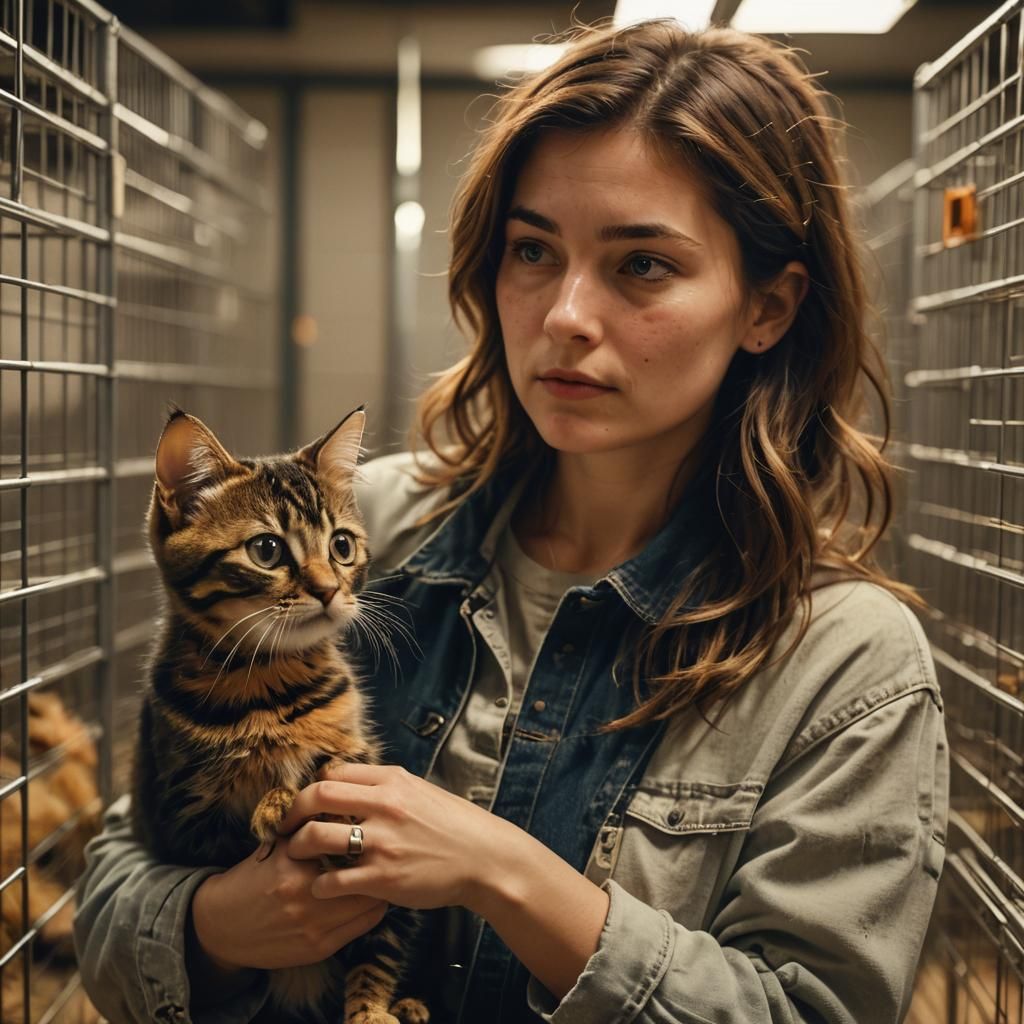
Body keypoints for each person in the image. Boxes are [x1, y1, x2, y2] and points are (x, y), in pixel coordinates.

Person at [74, 19, 948, 1024]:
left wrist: (506, 874)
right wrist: (221, 925)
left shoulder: (845, 666)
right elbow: (114, 886)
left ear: (766, 307)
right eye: (533, 249)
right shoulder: (378, 526)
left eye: (642, 266)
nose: (566, 313)